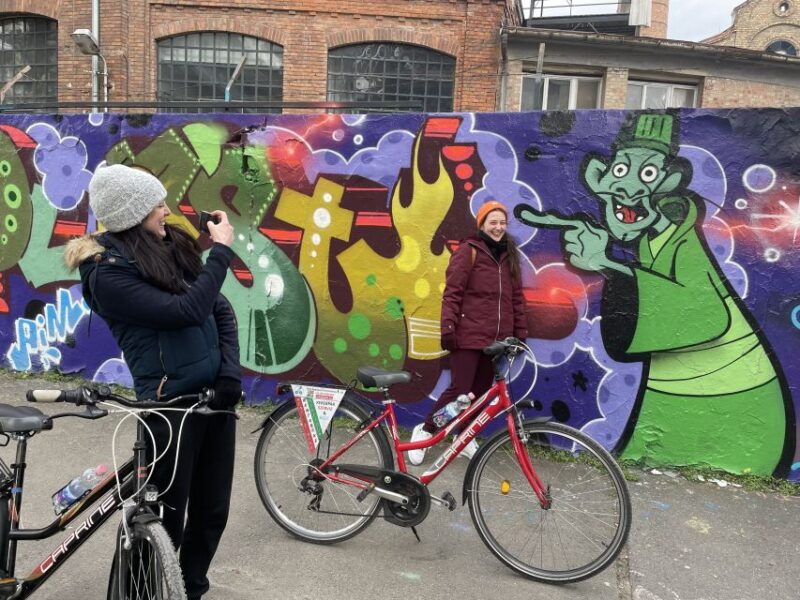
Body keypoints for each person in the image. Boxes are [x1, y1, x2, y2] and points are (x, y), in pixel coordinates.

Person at [64, 163, 241, 600]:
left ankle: (190, 590)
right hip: (167, 407)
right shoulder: (106, 275)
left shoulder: (167, 247)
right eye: (157, 205)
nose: (167, 211)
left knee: (212, 512)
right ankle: (140, 594)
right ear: (133, 213)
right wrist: (221, 251)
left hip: (213, 399)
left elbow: (218, 308)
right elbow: (186, 311)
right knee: (163, 519)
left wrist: (229, 376)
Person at [408, 200, 529, 465]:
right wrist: (448, 329)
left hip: (496, 341)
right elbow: (452, 293)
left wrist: (519, 333)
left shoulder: (509, 255)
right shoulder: (469, 251)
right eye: (493, 222)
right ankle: (426, 430)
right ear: (482, 224)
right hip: (468, 335)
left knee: (482, 392)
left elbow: (516, 298)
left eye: (502, 222)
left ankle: (463, 436)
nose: (498, 227)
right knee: (460, 392)